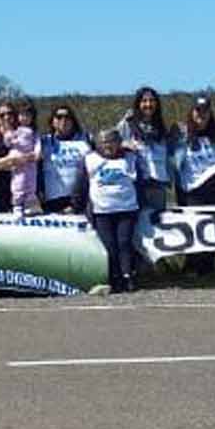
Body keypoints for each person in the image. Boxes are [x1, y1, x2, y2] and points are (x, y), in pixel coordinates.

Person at [172, 96, 215, 276]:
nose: (201, 115)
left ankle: (208, 266)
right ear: (192, 112)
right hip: (191, 188)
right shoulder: (182, 133)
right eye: (198, 110)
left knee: (213, 226)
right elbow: (172, 158)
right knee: (194, 227)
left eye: (205, 111)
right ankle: (191, 265)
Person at [86, 128, 145, 293]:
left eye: (112, 141)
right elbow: (81, 186)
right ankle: (113, 277)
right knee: (109, 246)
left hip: (126, 209)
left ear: (119, 143)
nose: (108, 145)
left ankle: (127, 276)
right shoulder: (90, 160)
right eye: (104, 142)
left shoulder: (130, 158)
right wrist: (78, 206)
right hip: (102, 210)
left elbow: (139, 183)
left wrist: (140, 203)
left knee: (124, 243)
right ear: (98, 144)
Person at [117, 87, 174, 215]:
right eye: (144, 101)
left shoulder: (160, 126)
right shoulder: (128, 124)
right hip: (137, 183)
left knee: (157, 220)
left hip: (158, 183)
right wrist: (124, 145)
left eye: (152, 101)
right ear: (138, 103)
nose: (148, 104)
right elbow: (112, 145)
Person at [38, 105, 91, 214]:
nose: (63, 120)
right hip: (52, 200)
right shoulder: (44, 141)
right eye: (59, 117)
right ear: (52, 121)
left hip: (81, 201)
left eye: (67, 117)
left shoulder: (86, 139)